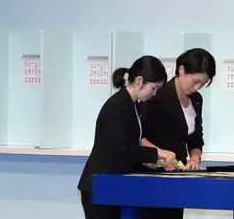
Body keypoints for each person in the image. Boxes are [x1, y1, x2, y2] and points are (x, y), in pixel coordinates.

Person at [77, 55, 175, 219]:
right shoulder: (117, 106)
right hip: (100, 186)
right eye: (154, 88)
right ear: (139, 81)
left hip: (114, 184)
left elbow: (136, 140)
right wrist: (154, 154)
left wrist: (157, 160)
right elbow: (121, 149)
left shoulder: (134, 105)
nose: (155, 93)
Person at [139, 48, 217, 219]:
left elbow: (196, 138)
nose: (197, 87)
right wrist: (160, 154)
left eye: (202, 84)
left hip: (177, 177)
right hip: (153, 176)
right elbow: (140, 136)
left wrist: (195, 159)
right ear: (181, 70)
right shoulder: (157, 95)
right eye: (195, 81)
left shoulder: (196, 99)